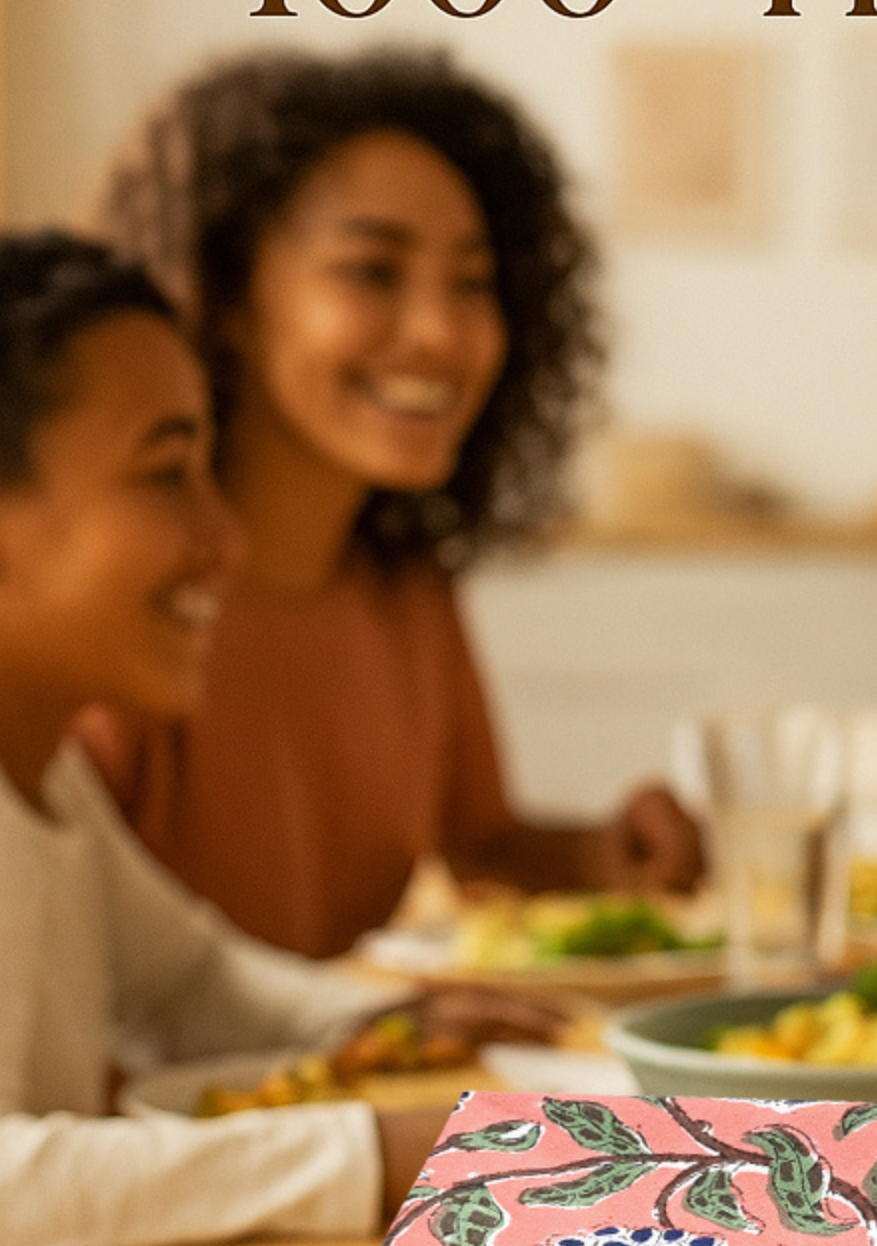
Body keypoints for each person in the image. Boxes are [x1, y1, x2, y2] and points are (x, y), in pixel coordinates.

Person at [78, 49, 704, 957]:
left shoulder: (405, 588)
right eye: (372, 271)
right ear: (224, 299)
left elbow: (479, 846)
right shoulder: (121, 599)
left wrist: (604, 852)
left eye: (473, 283)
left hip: (327, 1085)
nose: (442, 333)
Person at [0, 232, 527, 1246]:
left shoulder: (42, 768)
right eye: (166, 474)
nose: (222, 538)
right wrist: (368, 1153)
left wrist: (380, 1020)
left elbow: (186, 977)